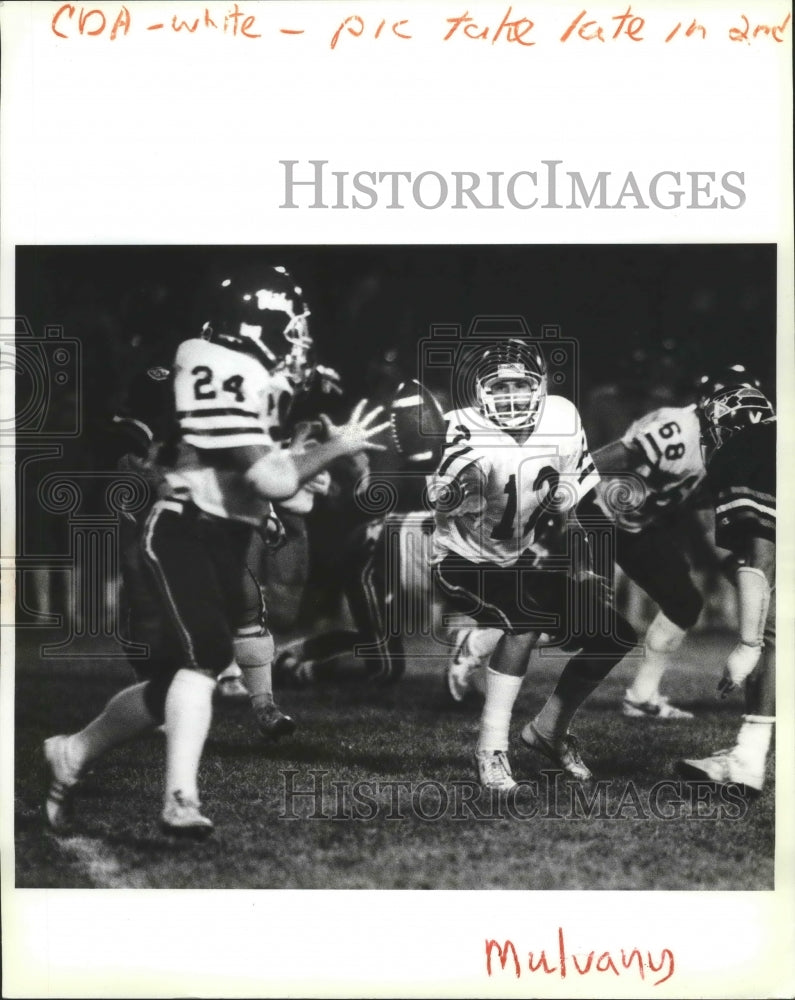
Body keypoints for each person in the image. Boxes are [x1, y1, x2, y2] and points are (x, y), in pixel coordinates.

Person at [43, 264, 389, 837]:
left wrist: (312, 464)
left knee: (178, 682)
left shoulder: (260, 377)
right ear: (264, 320)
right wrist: (330, 449)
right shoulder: (213, 359)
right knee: (203, 656)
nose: (299, 336)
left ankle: (74, 752)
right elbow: (269, 481)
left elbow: (289, 493)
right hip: (182, 526)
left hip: (227, 536)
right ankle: (180, 800)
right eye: (292, 323)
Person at [429, 337, 638, 790]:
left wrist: (588, 567)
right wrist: (452, 480)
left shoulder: (562, 416)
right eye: (497, 389)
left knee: (614, 634)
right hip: (461, 559)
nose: (509, 398)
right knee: (523, 621)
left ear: (539, 386)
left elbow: (579, 503)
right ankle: (491, 750)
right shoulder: (461, 429)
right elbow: (438, 498)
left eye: (519, 387)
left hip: (516, 561)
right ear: (479, 393)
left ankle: (548, 731)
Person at [677, 375, 776, 794]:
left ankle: (749, 760)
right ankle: (749, 755)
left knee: (772, 634)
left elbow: (762, 556)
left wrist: (747, 643)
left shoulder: (742, 449)